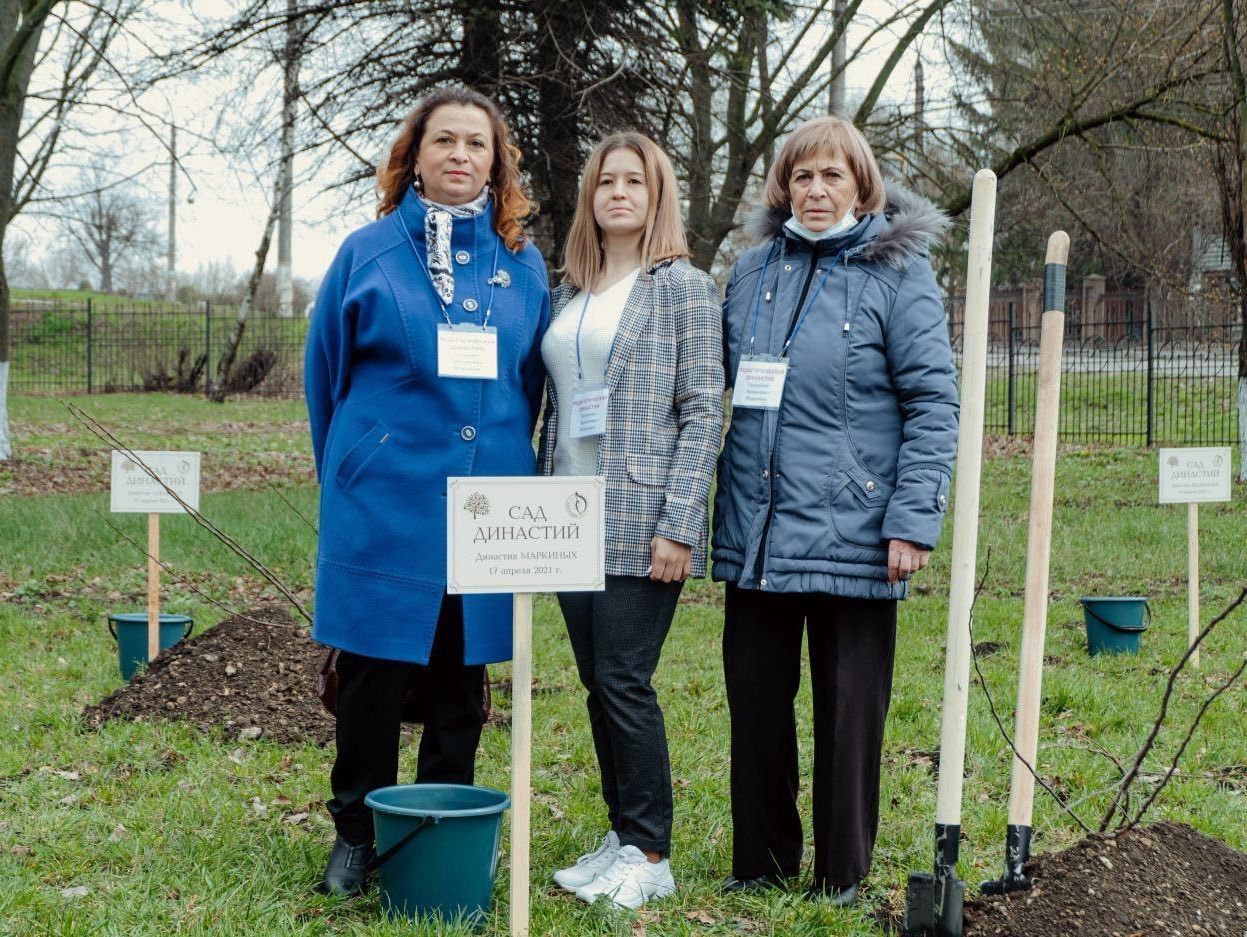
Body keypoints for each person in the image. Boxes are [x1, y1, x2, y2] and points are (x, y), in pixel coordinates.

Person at [304, 86, 549, 896]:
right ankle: (355, 830)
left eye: (475, 144)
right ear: (414, 155)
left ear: (496, 161)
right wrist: (353, 468)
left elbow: (528, 382)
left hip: (484, 506)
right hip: (386, 500)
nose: (459, 156)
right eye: (443, 140)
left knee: (459, 678)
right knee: (372, 673)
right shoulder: (367, 253)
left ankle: (440, 823)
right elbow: (324, 378)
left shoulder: (521, 264)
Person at [712, 115, 959, 905]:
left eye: (832, 177)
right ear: (783, 186)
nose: (815, 191)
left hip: (857, 530)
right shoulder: (752, 272)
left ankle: (841, 873)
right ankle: (761, 859)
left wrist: (911, 519)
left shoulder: (898, 273)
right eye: (802, 176)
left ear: (861, 186)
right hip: (759, 528)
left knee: (849, 713)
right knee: (754, 701)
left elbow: (932, 402)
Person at [536, 132, 724, 909]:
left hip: (641, 514)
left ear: (656, 197)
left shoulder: (681, 287)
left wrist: (679, 522)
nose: (617, 192)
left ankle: (651, 851)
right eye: (604, 181)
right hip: (563, 512)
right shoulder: (568, 289)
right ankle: (620, 833)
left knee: (623, 678)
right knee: (594, 681)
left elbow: (703, 408)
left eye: (633, 182)